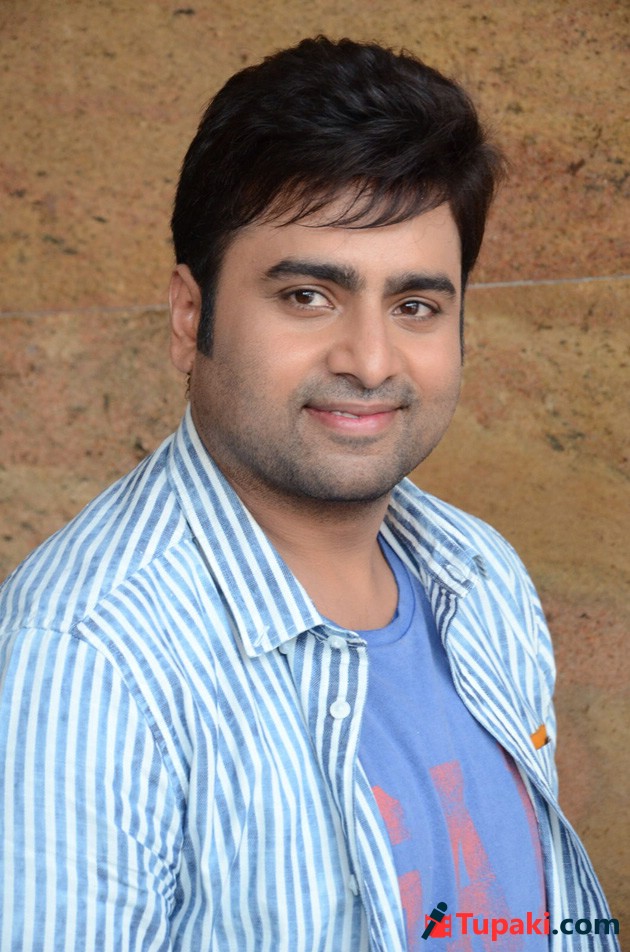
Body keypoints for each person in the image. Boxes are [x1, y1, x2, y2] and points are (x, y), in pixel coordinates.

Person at [0, 36, 618, 952]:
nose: (369, 360)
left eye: (415, 306)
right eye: (307, 296)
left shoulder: (481, 575)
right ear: (190, 315)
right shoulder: (90, 658)